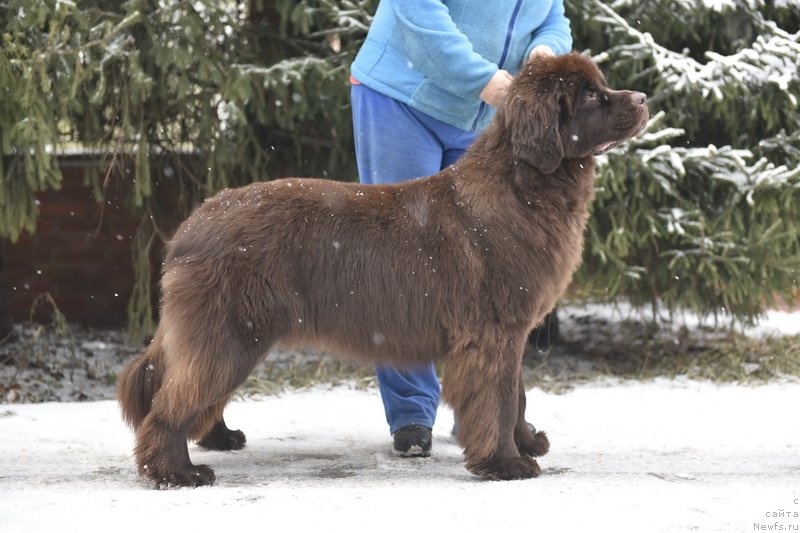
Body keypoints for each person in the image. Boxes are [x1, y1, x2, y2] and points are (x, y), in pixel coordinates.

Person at [350, 0, 573, 457]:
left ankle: (483, 415)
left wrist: (546, 52)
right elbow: (416, 12)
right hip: (404, 98)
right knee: (402, 263)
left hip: (486, 118)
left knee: (487, 281)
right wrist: (486, 81)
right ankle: (412, 412)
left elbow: (552, 16)